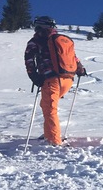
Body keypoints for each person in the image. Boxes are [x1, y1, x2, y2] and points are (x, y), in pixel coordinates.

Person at [24, 16, 86, 146]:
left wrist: (33, 76)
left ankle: (54, 140)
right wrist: (80, 68)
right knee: (46, 106)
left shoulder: (36, 40)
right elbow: (73, 57)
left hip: (51, 79)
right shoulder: (60, 40)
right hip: (68, 79)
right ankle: (50, 133)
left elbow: (29, 59)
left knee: (50, 109)